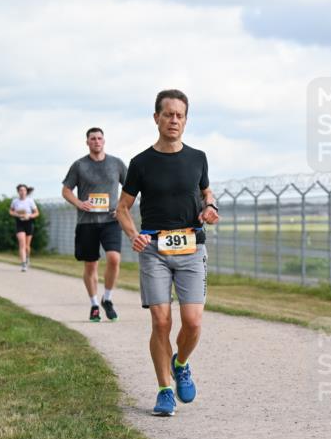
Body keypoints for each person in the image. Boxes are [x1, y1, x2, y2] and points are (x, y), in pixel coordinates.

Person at [118, 89, 220, 417]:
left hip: (192, 246)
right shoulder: (140, 163)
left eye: (180, 115)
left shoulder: (198, 157)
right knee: (161, 321)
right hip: (154, 249)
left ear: (186, 120)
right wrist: (134, 235)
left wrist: (211, 206)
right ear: (156, 118)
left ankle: (181, 363)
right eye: (168, 114)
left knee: (192, 321)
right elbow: (122, 208)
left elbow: (206, 191)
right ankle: (164, 389)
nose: (174, 120)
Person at [62, 127, 128, 322]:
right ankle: (94, 304)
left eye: (99, 138)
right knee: (91, 266)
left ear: (104, 141)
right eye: (93, 139)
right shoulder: (79, 165)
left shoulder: (116, 164)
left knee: (114, 259)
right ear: (87, 142)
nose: (96, 141)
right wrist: (79, 203)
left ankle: (107, 299)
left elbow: (131, 187)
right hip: (87, 223)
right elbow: (66, 191)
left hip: (111, 220)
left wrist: (122, 206)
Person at [9, 184, 38, 272]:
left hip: (29, 223)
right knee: (22, 243)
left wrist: (29, 216)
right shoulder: (15, 201)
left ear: (26, 192)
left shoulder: (30, 201)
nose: (22, 192)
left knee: (27, 246)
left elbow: (37, 213)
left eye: (24, 190)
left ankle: (28, 257)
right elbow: (10, 211)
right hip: (19, 223)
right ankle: (23, 264)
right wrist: (16, 214)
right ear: (18, 192)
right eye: (21, 190)